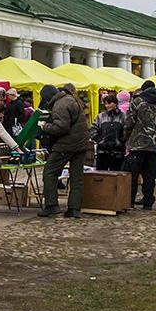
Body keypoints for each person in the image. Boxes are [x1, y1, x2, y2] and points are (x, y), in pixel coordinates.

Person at [36, 83, 90, 218]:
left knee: (50, 172)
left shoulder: (59, 104)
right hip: (81, 144)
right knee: (76, 177)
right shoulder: (71, 99)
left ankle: (52, 206)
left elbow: (61, 128)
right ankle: (74, 209)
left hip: (66, 144)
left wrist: (45, 126)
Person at [123, 80, 156, 210]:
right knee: (150, 175)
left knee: (133, 175)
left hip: (137, 144)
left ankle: (130, 201)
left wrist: (126, 137)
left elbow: (129, 122)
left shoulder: (138, 102)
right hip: (154, 145)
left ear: (143, 90)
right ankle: (148, 202)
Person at [91, 93, 126, 171]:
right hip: (102, 151)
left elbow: (127, 131)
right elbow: (93, 129)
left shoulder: (123, 116)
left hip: (118, 152)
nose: (107, 106)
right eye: (105, 104)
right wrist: (99, 140)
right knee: (101, 177)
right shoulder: (101, 116)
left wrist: (121, 141)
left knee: (116, 177)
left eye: (109, 103)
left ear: (116, 103)